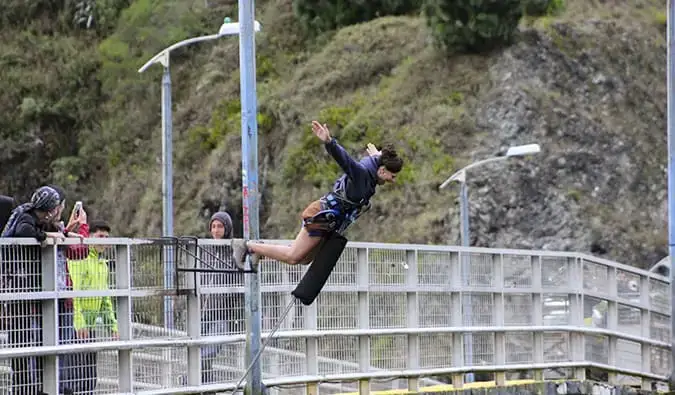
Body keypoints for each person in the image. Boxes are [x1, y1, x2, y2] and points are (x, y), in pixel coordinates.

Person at [231, 120, 403, 270]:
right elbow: (346, 161)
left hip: (329, 220)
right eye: (392, 176)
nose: (393, 181)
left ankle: (259, 251)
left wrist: (378, 155)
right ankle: (247, 246)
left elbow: (374, 160)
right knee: (293, 256)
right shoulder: (363, 174)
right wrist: (329, 142)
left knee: (305, 259)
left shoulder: (373, 170)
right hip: (322, 214)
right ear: (381, 170)